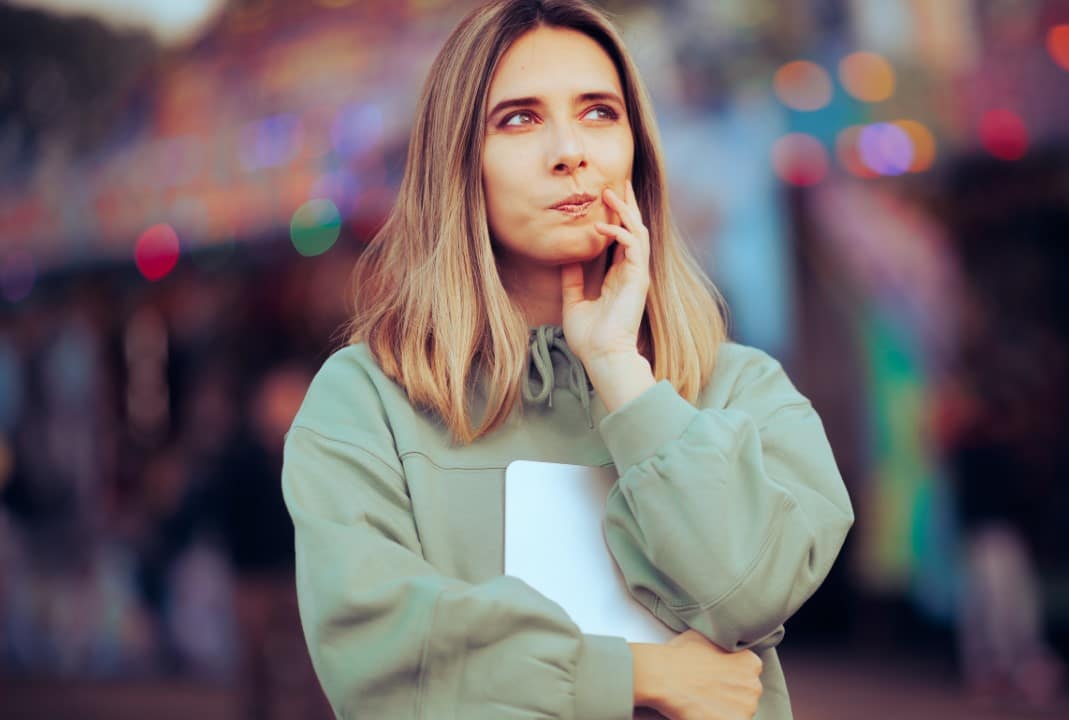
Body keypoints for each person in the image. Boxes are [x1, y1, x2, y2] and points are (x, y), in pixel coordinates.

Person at [281, 1, 854, 718]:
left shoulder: (742, 389)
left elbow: (747, 592)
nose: (570, 152)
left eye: (599, 113)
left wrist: (623, 376)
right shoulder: (367, 402)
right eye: (519, 118)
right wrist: (637, 676)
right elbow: (380, 653)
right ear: (457, 162)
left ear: (637, 149)